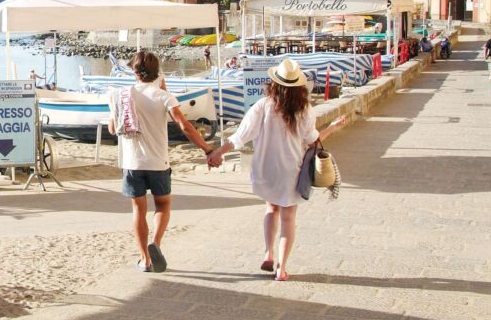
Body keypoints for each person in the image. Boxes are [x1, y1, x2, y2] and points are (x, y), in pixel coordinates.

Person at [207, 58, 343, 281]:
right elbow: (313, 142)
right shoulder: (305, 110)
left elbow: (240, 136)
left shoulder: (263, 106)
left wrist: (218, 153)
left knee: (271, 209)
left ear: (274, 83)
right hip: (292, 170)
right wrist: (333, 128)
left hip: (265, 168)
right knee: (288, 218)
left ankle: (268, 253)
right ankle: (281, 269)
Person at [108, 50, 214, 274]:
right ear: (157, 73)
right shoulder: (164, 97)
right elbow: (184, 126)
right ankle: (155, 243)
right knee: (163, 205)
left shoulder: (120, 95)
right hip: (158, 162)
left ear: (135, 72)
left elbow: (112, 128)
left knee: (138, 210)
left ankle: (145, 260)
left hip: (132, 163)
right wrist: (206, 148)